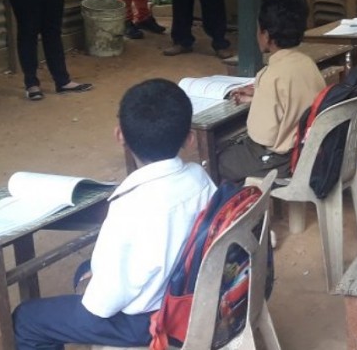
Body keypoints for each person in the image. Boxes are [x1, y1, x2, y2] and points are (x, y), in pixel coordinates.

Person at [12, 78, 217, 348]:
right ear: (190, 139)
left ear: (120, 135)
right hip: (190, 294)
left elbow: (103, 305)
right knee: (85, 269)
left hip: (148, 321)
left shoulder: (129, 207)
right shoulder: (200, 179)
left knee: (27, 319)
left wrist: (94, 286)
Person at [217, 0, 326, 183]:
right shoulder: (307, 64)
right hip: (307, 149)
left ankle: (245, 210)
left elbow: (263, 136)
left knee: (219, 161)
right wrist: (259, 98)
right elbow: (297, 103)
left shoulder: (272, 74)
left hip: (282, 161)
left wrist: (259, 103)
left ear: (266, 36)